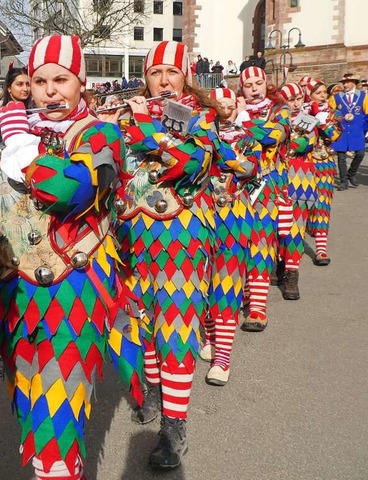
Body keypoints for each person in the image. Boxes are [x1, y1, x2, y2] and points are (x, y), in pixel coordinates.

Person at [0, 34, 125, 479]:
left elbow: (72, 192)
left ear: (81, 83)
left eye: (61, 79)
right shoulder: (16, 135)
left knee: (58, 418)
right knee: (32, 410)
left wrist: (23, 152)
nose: (50, 91)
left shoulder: (102, 133)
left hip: (72, 293)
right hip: (13, 295)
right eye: (39, 81)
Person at [114, 40, 252, 468]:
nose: (163, 81)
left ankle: (174, 430)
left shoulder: (203, 118)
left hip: (182, 237)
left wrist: (140, 127)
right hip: (134, 237)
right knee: (143, 322)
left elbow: (187, 164)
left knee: (175, 328)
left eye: (171, 73)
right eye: (155, 73)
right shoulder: (129, 115)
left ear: (185, 77)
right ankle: (154, 388)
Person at [199, 87, 260, 386]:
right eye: (217, 103)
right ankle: (210, 336)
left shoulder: (247, 137)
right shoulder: (196, 135)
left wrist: (219, 154)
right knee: (202, 280)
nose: (222, 107)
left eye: (227, 102)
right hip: (199, 214)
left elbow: (250, 168)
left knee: (226, 283)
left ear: (236, 105)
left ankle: (224, 355)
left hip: (233, 216)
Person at [235, 66, 292, 332]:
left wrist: (242, 120)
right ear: (241, 88)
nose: (255, 88)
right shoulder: (232, 106)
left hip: (267, 185)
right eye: (249, 85)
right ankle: (238, 297)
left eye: (259, 83)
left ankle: (257, 307)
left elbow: (274, 135)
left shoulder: (279, 109)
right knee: (236, 244)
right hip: (235, 186)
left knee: (260, 243)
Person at [276, 83, 318, 300]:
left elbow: (302, 144)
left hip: (299, 180)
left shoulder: (309, 121)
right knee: (275, 227)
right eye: (290, 99)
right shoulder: (275, 119)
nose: (295, 103)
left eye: (298, 98)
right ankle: (279, 263)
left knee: (295, 228)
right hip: (276, 179)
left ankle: (292, 274)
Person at [305, 80, 341, 266]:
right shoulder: (301, 112)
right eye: (317, 92)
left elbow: (335, 135)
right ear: (309, 94)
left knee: (322, 205)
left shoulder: (332, 114)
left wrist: (323, 121)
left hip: (324, 163)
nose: (322, 96)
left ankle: (320, 249)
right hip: (302, 165)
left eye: (323, 92)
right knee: (301, 206)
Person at [329, 73, 368, 190]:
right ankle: (343, 181)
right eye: (343, 83)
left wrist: (364, 128)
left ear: (354, 83)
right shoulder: (336, 97)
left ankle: (351, 173)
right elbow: (330, 112)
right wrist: (337, 117)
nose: (345, 85)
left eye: (347, 82)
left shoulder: (363, 96)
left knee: (360, 153)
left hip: (357, 129)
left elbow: (367, 113)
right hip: (342, 129)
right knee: (341, 156)